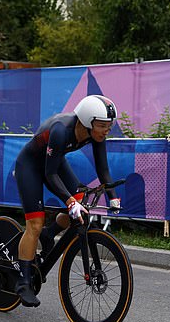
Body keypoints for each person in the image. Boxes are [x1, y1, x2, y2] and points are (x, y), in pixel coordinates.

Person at [13, 94, 121, 307]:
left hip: (53, 163)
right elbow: (50, 174)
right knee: (35, 224)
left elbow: (103, 169)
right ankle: (23, 282)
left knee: (82, 206)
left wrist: (113, 197)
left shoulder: (95, 135)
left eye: (109, 126)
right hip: (31, 166)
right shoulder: (61, 130)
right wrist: (69, 201)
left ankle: (49, 233)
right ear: (87, 122)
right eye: (102, 125)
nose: (106, 130)